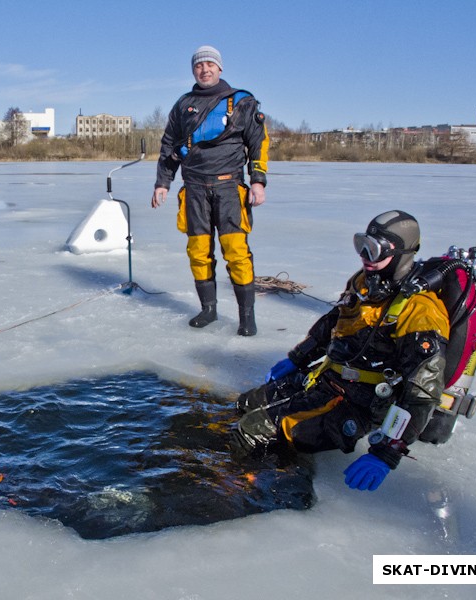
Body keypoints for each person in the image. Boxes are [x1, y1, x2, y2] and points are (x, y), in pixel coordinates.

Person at [231, 210, 450, 491]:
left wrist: (386, 454)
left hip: (359, 403)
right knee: (245, 404)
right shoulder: (364, 283)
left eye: (374, 250)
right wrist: (298, 360)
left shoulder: (421, 311)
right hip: (327, 380)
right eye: (362, 246)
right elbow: (334, 322)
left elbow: (422, 394)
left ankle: (243, 488)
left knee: (251, 431)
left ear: (402, 253)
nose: (364, 256)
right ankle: (267, 461)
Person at [151, 45, 269, 336]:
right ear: (194, 70)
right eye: (199, 65)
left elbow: (258, 142)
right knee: (198, 251)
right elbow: (169, 146)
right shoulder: (183, 104)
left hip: (229, 188)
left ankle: (246, 317)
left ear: (220, 68)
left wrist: (258, 180)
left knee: (236, 252)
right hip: (193, 190)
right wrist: (162, 183)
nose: (204, 70)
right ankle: (209, 310)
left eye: (210, 65)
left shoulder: (241, 102)